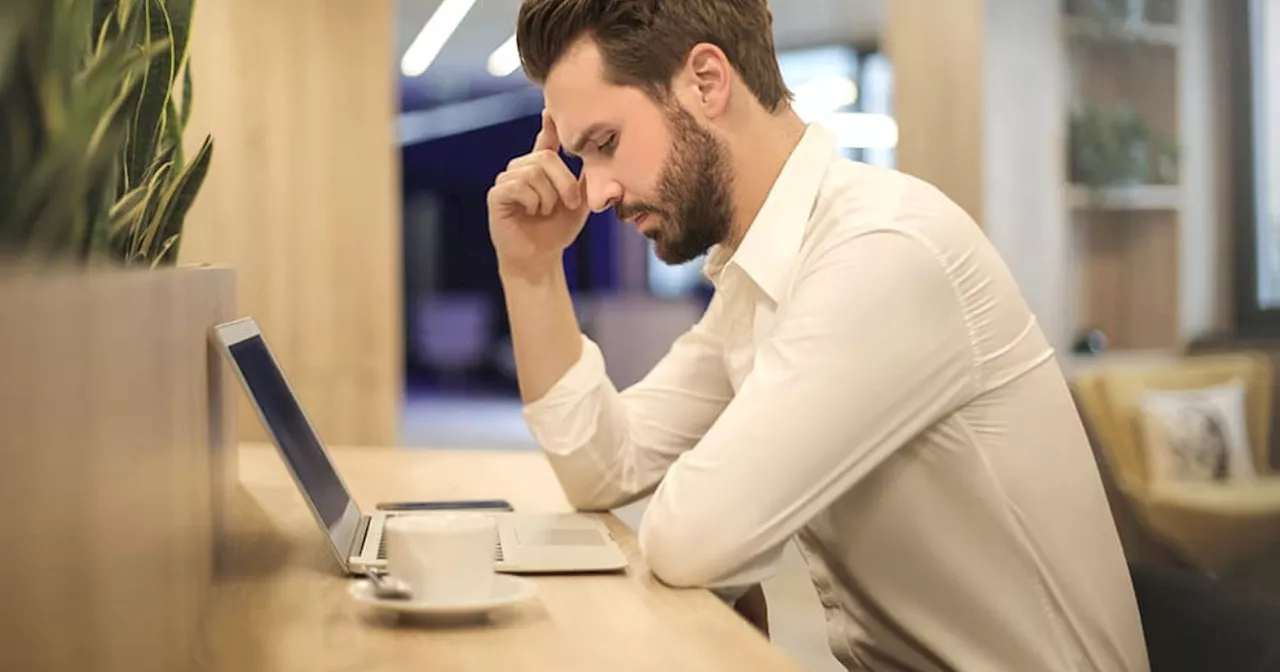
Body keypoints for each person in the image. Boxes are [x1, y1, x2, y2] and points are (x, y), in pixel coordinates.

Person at [485, 1, 1150, 670]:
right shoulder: (762, 278)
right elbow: (604, 465)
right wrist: (533, 269)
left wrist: (724, 542)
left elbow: (694, 538)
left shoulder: (881, 251)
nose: (595, 191)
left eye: (605, 144)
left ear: (707, 81)